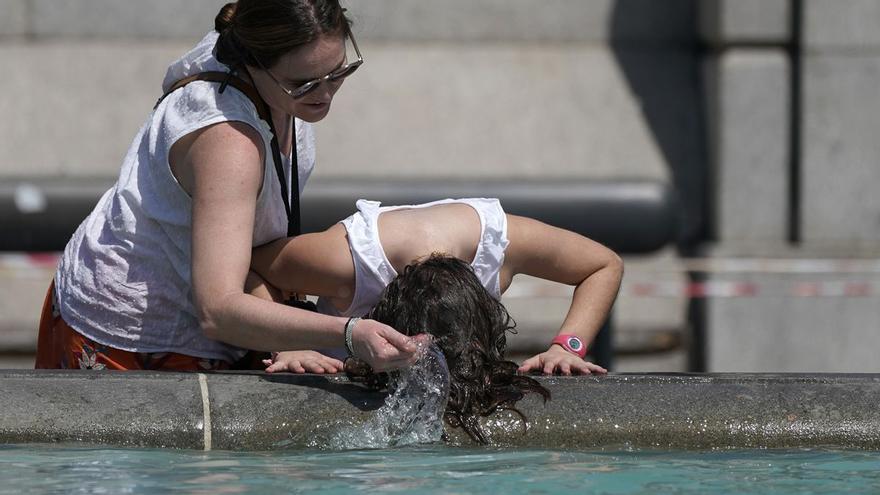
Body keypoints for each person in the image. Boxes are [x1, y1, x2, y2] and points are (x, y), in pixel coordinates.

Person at [35, 1, 425, 372]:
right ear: (254, 61)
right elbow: (218, 309)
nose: (324, 94)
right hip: (130, 332)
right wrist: (349, 333)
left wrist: (291, 332)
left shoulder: (260, 69)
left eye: (338, 72)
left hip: (207, 307)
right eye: (303, 84)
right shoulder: (228, 144)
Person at [248, 198, 624, 376]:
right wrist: (289, 344)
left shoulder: (502, 243)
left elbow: (603, 265)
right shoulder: (343, 261)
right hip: (333, 362)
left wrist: (567, 348)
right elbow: (245, 268)